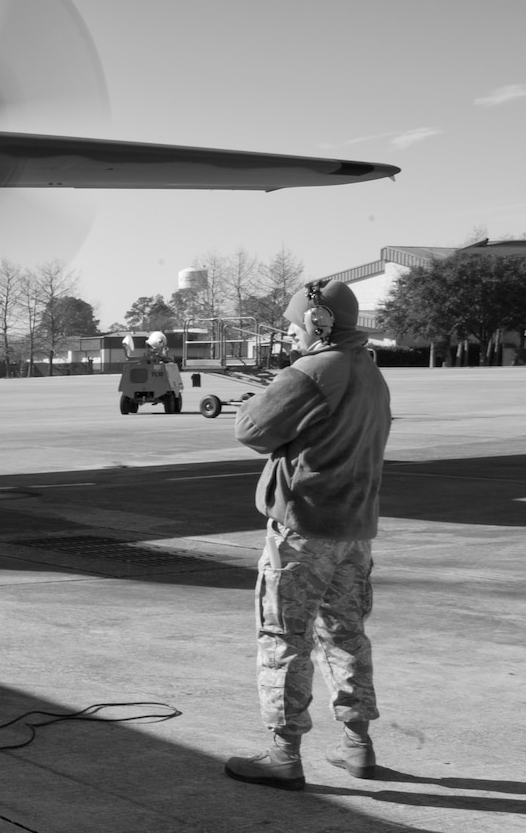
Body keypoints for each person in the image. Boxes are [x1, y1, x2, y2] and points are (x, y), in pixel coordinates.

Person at [225, 278, 391, 791]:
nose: (294, 334)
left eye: (297, 324)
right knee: (345, 636)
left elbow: (251, 429)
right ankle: (357, 745)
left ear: (317, 323)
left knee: (283, 640)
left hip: (304, 531)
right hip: (354, 532)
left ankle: (282, 754)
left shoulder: (316, 369)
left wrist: (281, 386)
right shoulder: (371, 373)